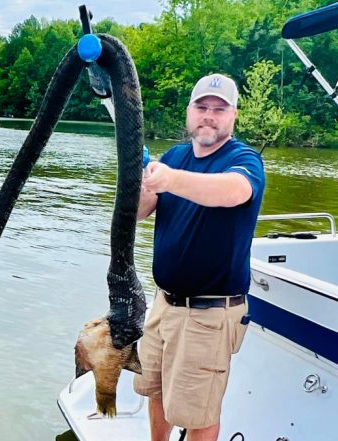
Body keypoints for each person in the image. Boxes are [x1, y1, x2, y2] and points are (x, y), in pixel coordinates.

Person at [133, 73, 265, 441]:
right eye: (202, 107)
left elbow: (234, 191)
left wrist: (170, 179)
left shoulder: (244, 159)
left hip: (209, 312)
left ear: (233, 116)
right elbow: (141, 212)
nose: (209, 116)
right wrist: (142, 181)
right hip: (163, 304)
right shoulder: (175, 156)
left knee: (198, 412)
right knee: (155, 388)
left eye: (218, 110)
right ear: (189, 112)